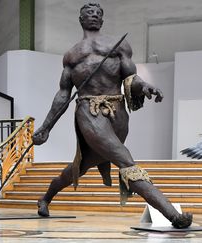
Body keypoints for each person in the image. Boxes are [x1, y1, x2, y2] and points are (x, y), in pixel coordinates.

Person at [32, 2, 192, 228]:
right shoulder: (71, 55)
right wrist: (47, 127)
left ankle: (46, 197)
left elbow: (130, 78)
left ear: (102, 20)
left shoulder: (118, 46)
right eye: (89, 12)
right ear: (81, 19)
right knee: (125, 161)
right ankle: (172, 214)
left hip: (118, 113)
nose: (94, 15)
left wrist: (144, 86)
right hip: (89, 111)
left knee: (79, 168)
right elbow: (63, 94)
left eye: (98, 13)